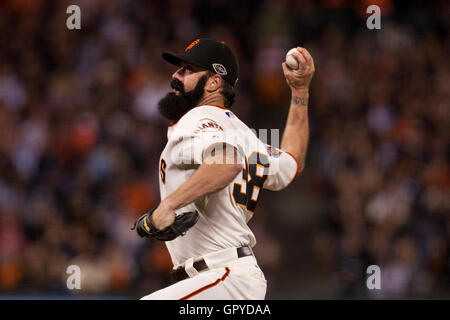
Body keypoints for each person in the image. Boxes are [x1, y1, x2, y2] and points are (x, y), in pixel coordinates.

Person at [137, 38, 314, 300]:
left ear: (213, 82)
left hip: (222, 277)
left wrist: (168, 206)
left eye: (187, 70)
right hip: (228, 280)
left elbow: (227, 163)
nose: (175, 75)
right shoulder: (245, 135)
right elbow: (291, 162)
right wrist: (300, 92)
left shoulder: (198, 117)